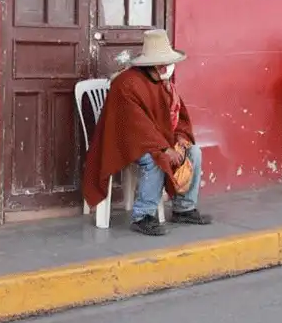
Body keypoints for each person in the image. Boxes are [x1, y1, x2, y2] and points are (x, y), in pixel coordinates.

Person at [82, 29, 212, 236]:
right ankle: (144, 215)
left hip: (155, 138)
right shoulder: (126, 84)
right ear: (148, 63)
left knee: (194, 151)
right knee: (156, 158)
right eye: (162, 63)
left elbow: (176, 117)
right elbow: (136, 126)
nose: (166, 67)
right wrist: (163, 148)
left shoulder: (164, 84)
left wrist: (179, 138)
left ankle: (184, 208)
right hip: (124, 141)